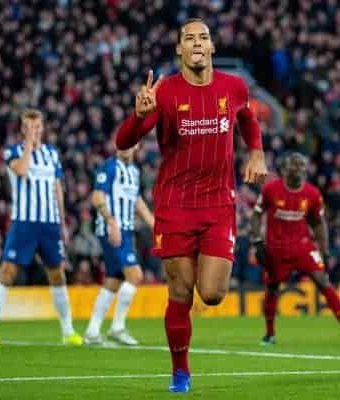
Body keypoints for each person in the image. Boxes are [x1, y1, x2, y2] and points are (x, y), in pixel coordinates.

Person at [115, 18, 267, 393]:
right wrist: (138, 115)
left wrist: (257, 153)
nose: (197, 43)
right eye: (189, 38)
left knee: (213, 293)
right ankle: (180, 371)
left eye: (203, 37)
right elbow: (123, 142)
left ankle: (201, 278)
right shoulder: (164, 91)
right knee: (181, 293)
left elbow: (248, 120)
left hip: (218, 205)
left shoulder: (234, 87)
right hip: (175, 206)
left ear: (212, 47)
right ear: (179, 50)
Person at [0, 109, 82, 348]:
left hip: (49, 224)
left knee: (58, 275)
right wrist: (28, 144)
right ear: (22, 129)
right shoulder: (13, 152)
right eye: (29, 127)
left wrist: (62, 221)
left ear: (43, 128)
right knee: (7, 272)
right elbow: (22, 170)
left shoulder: (52, 154)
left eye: (37, 127)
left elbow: (57, 188)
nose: (34, 131)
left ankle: (68, 331)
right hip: (24, 223)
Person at [250, 153, 340, 346]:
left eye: (302, 165)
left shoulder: (312, 194)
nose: (299, 169)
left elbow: (319, 224)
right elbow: (257, 214)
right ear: (285, 169)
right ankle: (270, 334)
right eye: (294, 165)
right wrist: (257, 241)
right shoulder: (270, 190)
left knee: (323, 281)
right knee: (273, 288)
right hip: (276, 249)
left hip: (303, 247)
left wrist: (325, 251)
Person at [85, 145, 154, 346]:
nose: (126, 146)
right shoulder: (109, 167)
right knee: (135, 275)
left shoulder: (134, 171)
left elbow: (137, 201)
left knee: (114, 280)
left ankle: (92, 331)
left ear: (138, 146)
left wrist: (153, 224)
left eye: (131, 142)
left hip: (126, 230)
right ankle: (117, 327)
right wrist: (111, 221)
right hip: (112, 230)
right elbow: (97, 196)